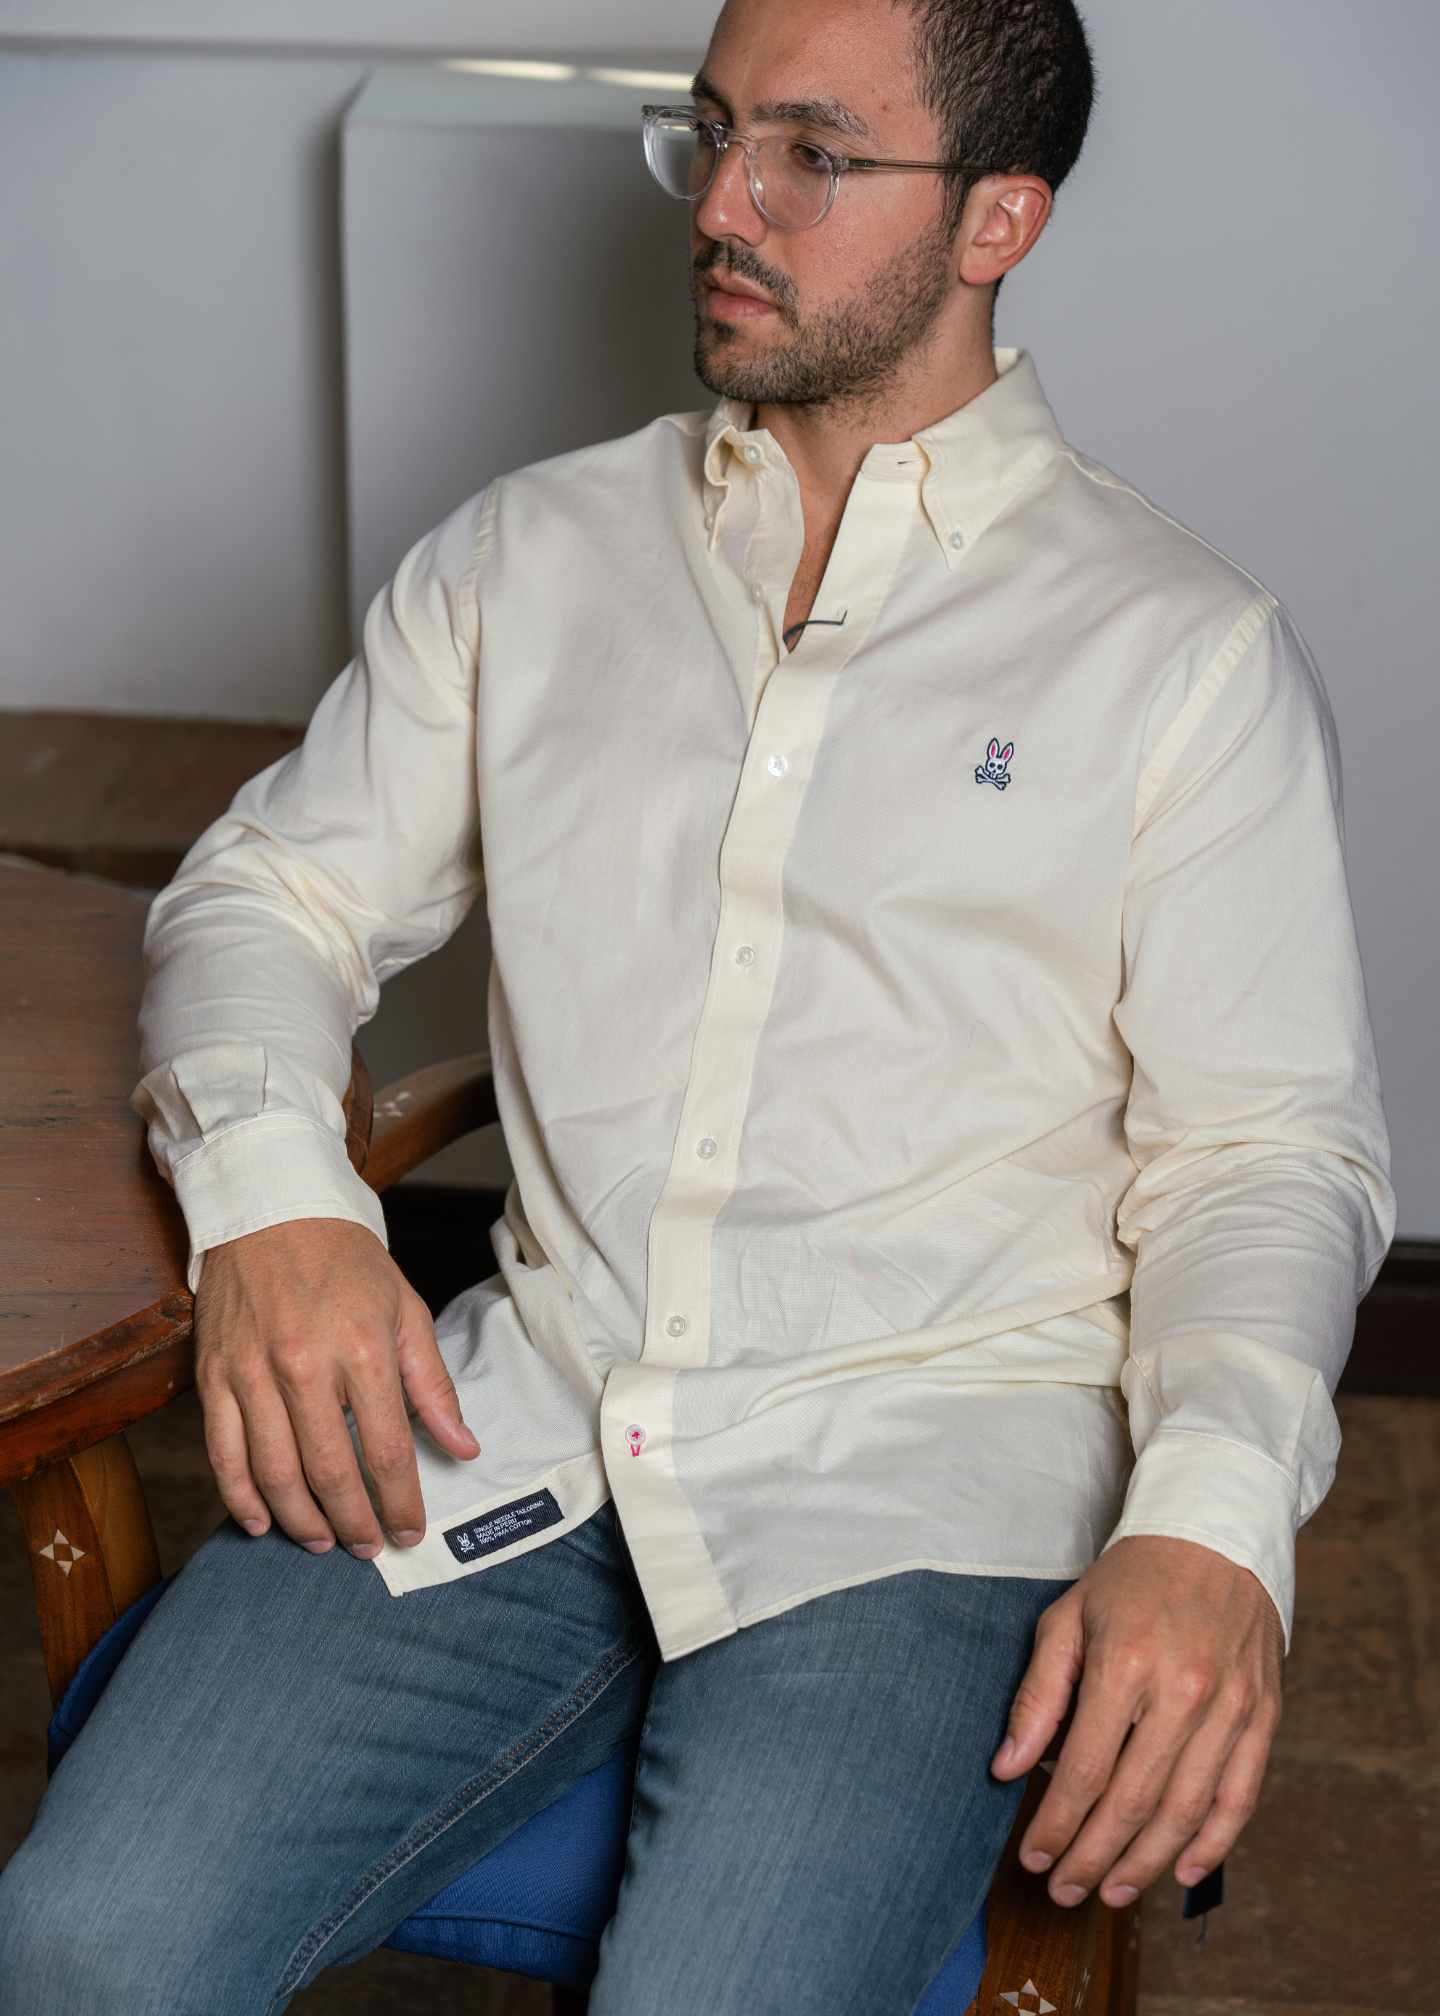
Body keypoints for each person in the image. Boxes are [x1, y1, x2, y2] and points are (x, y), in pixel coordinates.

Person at [0, 0, 1393, 2009]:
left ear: (999, 218)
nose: (725, 203)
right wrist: (280, 1201)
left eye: (813, 153)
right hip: (530, 1413)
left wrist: (1211, 1522)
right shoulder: (532, 555)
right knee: (81, 1939)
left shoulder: (1184, 655)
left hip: (933, 1480)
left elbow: (1267, 1157)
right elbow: (269, 890)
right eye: (714, 129)